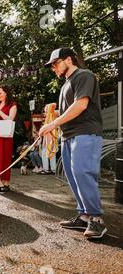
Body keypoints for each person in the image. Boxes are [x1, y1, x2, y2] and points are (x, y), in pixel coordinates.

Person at [40, 47, 106, 239]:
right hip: (68, 135)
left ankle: (97, 219)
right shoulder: (66, 84)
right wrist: (54, 112)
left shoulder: (84, 75)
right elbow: (69, 110)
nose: (53, 68)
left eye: (55, 63)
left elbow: (81, 105)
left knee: (82, 172)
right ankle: (85, 215)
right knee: (72, 175)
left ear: (68, 60)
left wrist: (52, 124)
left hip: (85, 132)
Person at [40, 103, 59, 174]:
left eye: (46, 110)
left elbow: (54, 104)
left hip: (51, 138)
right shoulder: (48, 119)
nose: (45, 112)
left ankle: (48, 169)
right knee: (50, 154)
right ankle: (51, 169)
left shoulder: (52, 117)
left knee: (47, 154)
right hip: (49, 138)